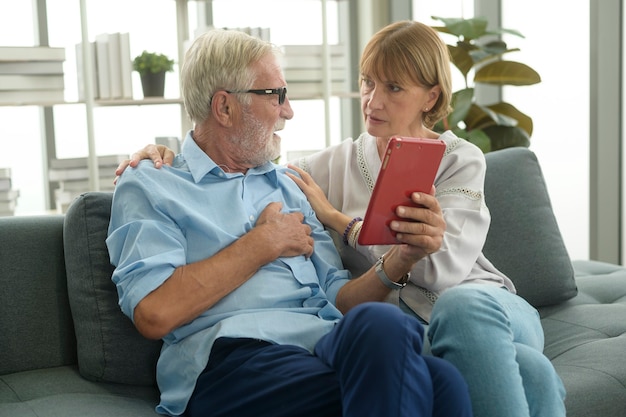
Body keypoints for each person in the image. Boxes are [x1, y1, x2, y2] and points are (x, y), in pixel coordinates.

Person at [119, 21, 566, 417]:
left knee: (398, 332)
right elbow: (155, 312)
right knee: (443, 378)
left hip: (335, 338)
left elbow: (338, 297)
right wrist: (263, 243)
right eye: (276, 95)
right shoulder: (153, 183)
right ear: (224, 108)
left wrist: (399, 259)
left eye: (393, 87)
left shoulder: (289, 183)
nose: (289, 110)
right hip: (236, 352)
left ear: (430, 96)